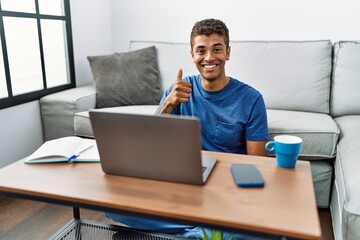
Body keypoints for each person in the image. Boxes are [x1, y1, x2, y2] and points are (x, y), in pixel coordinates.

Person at [106, 18, 269, 239]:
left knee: (265, 232)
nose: (209, 57)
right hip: (182, 186)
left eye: (217, 49)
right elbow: (149, 143)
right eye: (201, 50)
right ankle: (200, 232)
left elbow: (257, 165)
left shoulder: (251, 99)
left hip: (225, 190)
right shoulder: (178, 91)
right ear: (192, 55)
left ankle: (188, 231)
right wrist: (169, 103)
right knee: (112, 206)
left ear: (228, 53)